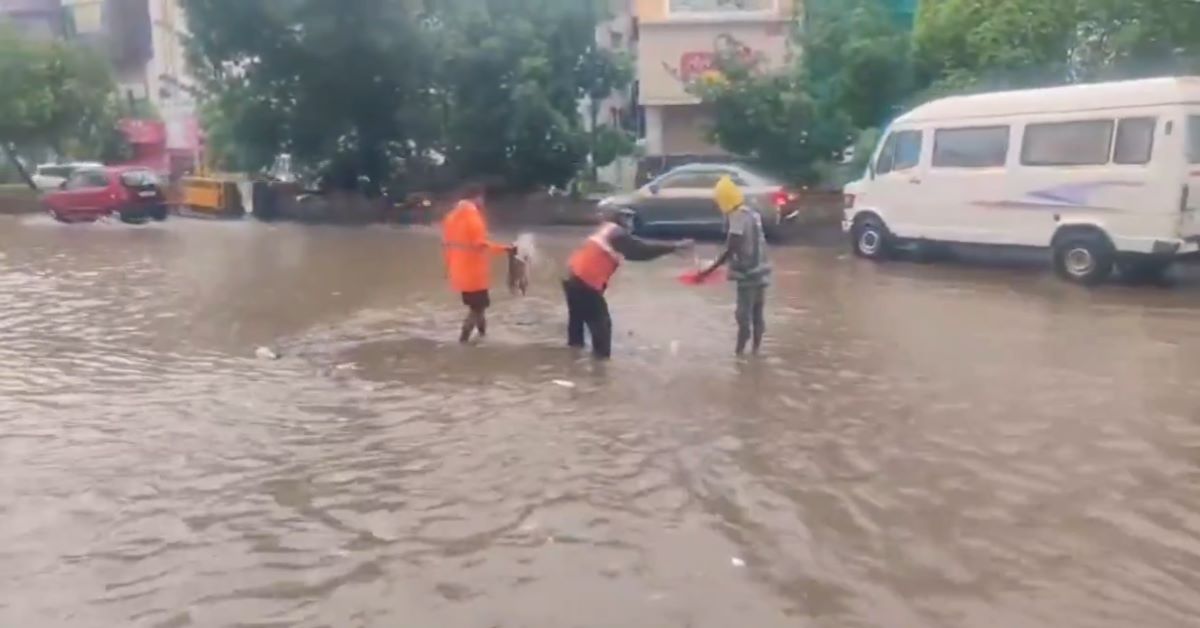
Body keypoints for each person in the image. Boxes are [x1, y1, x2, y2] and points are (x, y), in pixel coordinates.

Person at [564, 211, 691, 359]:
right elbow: (640, 251)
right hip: (585, 280)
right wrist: (673, 247)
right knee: (602, 327)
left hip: (571, 276)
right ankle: (599, 367)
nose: (630, 223)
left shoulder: (605, 230)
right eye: (627, 219)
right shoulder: (616, 232)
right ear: (618, 220)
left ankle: (573, 358)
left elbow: (633, 252)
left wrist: (669, 249)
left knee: (577, 322)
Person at [698, 175, 772, 355]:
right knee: (758, 313)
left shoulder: (736, 217)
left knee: (742, 317)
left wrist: (709, 270)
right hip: (762, 271)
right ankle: (756, 352)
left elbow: (732, 248)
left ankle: (739, 356)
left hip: (748, 274)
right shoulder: (751, 213)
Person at [442, 184, 513, 343]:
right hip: (474, 274)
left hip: (458, 271)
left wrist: (448, 269)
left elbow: (447, 245)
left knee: (478, 307)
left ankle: (482, 336)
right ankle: (463, 340)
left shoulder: (450, 217)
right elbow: (481, 245)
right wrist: (505, 249)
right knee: (477, 308)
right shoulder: (473, 217)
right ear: (477, 197)